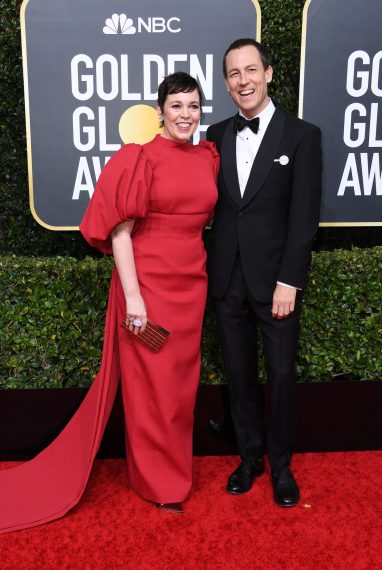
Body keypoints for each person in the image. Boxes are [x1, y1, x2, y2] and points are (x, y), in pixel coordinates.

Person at [0, 72, 218, 533]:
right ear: (160, 111)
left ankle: (173, 472)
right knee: (151, 389)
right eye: (176, 106)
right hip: (148, 289)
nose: (185, 115)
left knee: (180, 388)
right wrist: (134, 296)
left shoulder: (208, 157)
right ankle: (159, 484)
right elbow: (119, 231)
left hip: (191, 287)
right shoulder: (138, 158)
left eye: (193, 106)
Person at [206, 39, 322, 507]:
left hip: (276, 283)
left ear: (269, 74)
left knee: (279, 376)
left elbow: (304, 217)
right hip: (227, 278)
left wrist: (289, 280)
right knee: (238, 374)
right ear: (227, 83)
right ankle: (249, 458)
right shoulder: (214, 135)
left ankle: (282, 466)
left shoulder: (302, 135)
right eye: (233, 74)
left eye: (250, 70)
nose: (243, 81)